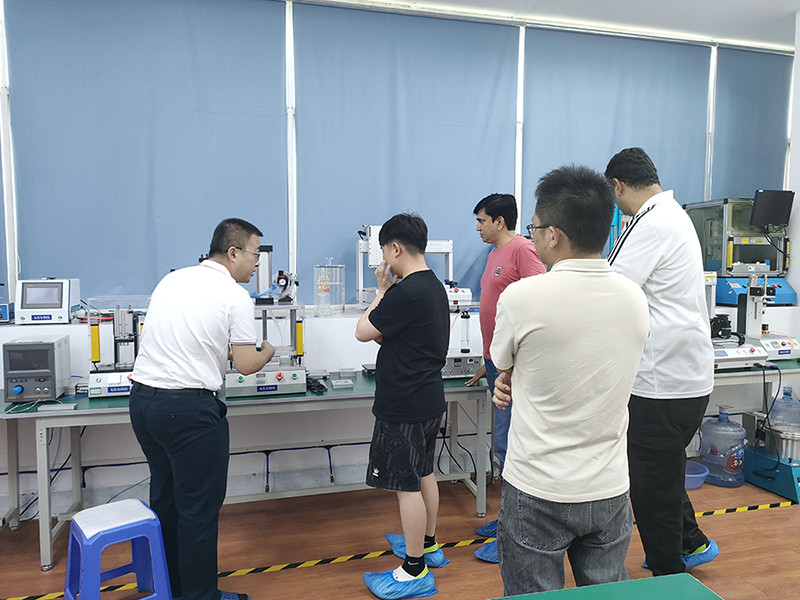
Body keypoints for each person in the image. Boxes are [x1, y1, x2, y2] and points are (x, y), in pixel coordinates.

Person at [491, 165, 649, 595]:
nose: (532, 237)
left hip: (537, 487)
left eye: (534, 229)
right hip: (609, 488)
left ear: (553, 235)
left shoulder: (521, 297)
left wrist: (510, 377)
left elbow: (502, 360)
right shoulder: (635, 298)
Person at [129, 218, 275, 600]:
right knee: (198, 512)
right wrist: (267, 352)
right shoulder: (235, 296)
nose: (258, 262)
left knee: (166, 501)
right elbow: (246, 364)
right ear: (233, 253)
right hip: (188, 413)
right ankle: (202, 597)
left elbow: (178, 339)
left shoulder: (172, 280)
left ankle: (172, 589)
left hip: (143, 405)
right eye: (255, 254)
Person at [605, 147, 719, 576]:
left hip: (662, 384)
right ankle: (691, 541)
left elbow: (609, 288)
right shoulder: (673, 215)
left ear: (618, 186)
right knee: (664, 469)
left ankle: (669, 576)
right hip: (685, 379)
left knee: (649, 485)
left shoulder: (649, 223)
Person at [355, 213, 450, 600]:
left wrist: (381, 291)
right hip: (429, 399)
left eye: (383, 252)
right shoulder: (433, 287)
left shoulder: (404, 292)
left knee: (404, 486)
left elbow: (363, 331)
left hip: (404, 404)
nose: (383, 261)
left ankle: (414, 569)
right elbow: (393, 336)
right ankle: (427, 544)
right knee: (424, 472)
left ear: (395, 249)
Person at [465, 193, 545, 563]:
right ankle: (506, 520)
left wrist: (510, 361)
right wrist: (489, 359)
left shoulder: (522, 249)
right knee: (501, 446)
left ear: (500, 221)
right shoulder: (493, 254)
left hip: (514, 366)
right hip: (496, 362)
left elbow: (540, 302)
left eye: (482, 221)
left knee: (508, 446)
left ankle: (516, 534)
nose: (477, 227)